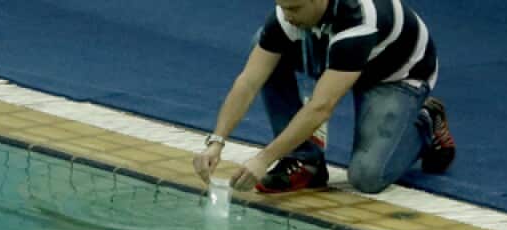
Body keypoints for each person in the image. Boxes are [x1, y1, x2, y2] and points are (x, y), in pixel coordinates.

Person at [193, 0, 456, 194]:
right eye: (283, 8)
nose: (287, 16)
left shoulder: (358, 20)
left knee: (367, 177)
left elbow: (322, 107)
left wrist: (263, 159)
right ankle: (305, 161)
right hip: (338, 54)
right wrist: (217, 141)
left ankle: (428, 122)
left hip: (392, 76)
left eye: (294, 9)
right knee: (263, 47)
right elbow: (249, 81)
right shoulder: (288, 14)